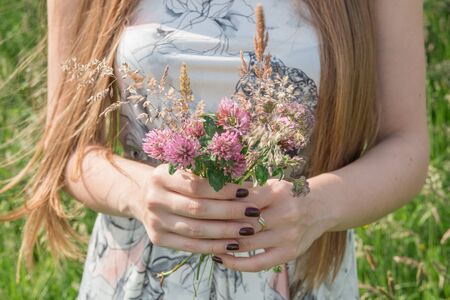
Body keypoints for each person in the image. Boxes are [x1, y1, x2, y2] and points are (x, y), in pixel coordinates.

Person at [1, 0, 428, 299]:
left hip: (301, 275)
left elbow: (406, 143)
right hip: (141, 278)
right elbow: (70, 149)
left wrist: (314, 207)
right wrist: (139, 193)